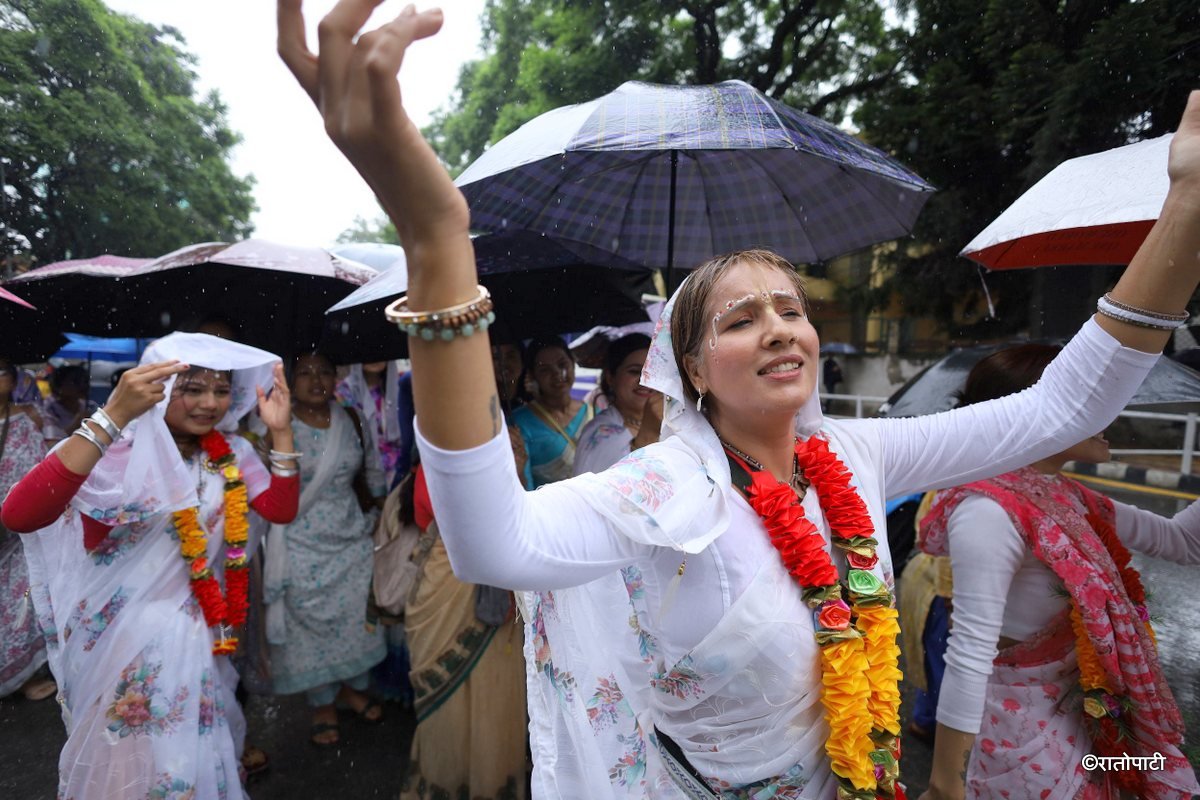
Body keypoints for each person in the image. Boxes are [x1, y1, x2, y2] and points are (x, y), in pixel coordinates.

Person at [276, 7, 1200, 795]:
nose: (779, 328)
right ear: (692, 371)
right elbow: (492, 542)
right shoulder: (672, 488)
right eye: (741, 318)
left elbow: (1063, 408)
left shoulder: (860, 456)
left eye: (791, 309)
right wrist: (438, 240)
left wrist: (1187, 210)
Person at [1, 333, 299, 799]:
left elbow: (279, 509)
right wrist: (115, 414)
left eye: (221, 389)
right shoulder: (118, 447)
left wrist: (280, 431)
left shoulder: (232, 454)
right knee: (127, 766)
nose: (209, 403)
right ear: (155, 387)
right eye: (192, 389)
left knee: (184, 764)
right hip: (120, 642)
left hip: (193, 631)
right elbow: (19, 514)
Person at [918, 344, 1200, 800]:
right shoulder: (988, 509)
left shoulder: (1068, 497)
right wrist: (944, 781)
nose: (1110, 413)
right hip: (1023, 735)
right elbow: (970, 651)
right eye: (1092, 399)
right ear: (1040, 411)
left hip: (1089, 717)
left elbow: (1183, 543)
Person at [264, 352, 387, 747]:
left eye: (324, 371)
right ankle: (322, 704)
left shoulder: (352, 418)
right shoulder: (275, 424)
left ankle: (352, 688)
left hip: (351, 539)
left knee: (352, 620)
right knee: (309, 630)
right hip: (298, 542)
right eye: (304, 373)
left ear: (338, 375)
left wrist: (383, 512)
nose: (315, 380)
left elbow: (371, 471)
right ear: (290, 380)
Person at [0, 357, 54, 702]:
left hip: (19, 527)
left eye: (1, 370)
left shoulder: (31, 417)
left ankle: (19, 675)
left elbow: (46, 469)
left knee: (21, 595)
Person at [573, 333, 660, 475]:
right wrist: (648, 434)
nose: (645, 380)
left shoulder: (669, 423)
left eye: (652, 371)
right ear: (610, 378)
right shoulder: (600, 436)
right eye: (634, 371)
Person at [511, 337, 592, 487]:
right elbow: (526, 488)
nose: (557, 374)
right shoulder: (519, 423)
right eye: (544, 369)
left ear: (573, 365)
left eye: (562, 364)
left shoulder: (594, 413)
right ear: (533, 375)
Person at [337, 360, 405, 487]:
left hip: (400, 473)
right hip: (363, 473)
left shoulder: (402, 386)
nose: (375, 358)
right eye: (368, 351)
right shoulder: (344, 393)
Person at [40, 364, 95, 445]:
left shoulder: (91, 407)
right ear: (59, 386)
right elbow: (53, 442)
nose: (83, 386)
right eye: (75, 382)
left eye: (85, 381)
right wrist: (76, 423)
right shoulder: (49, 409)